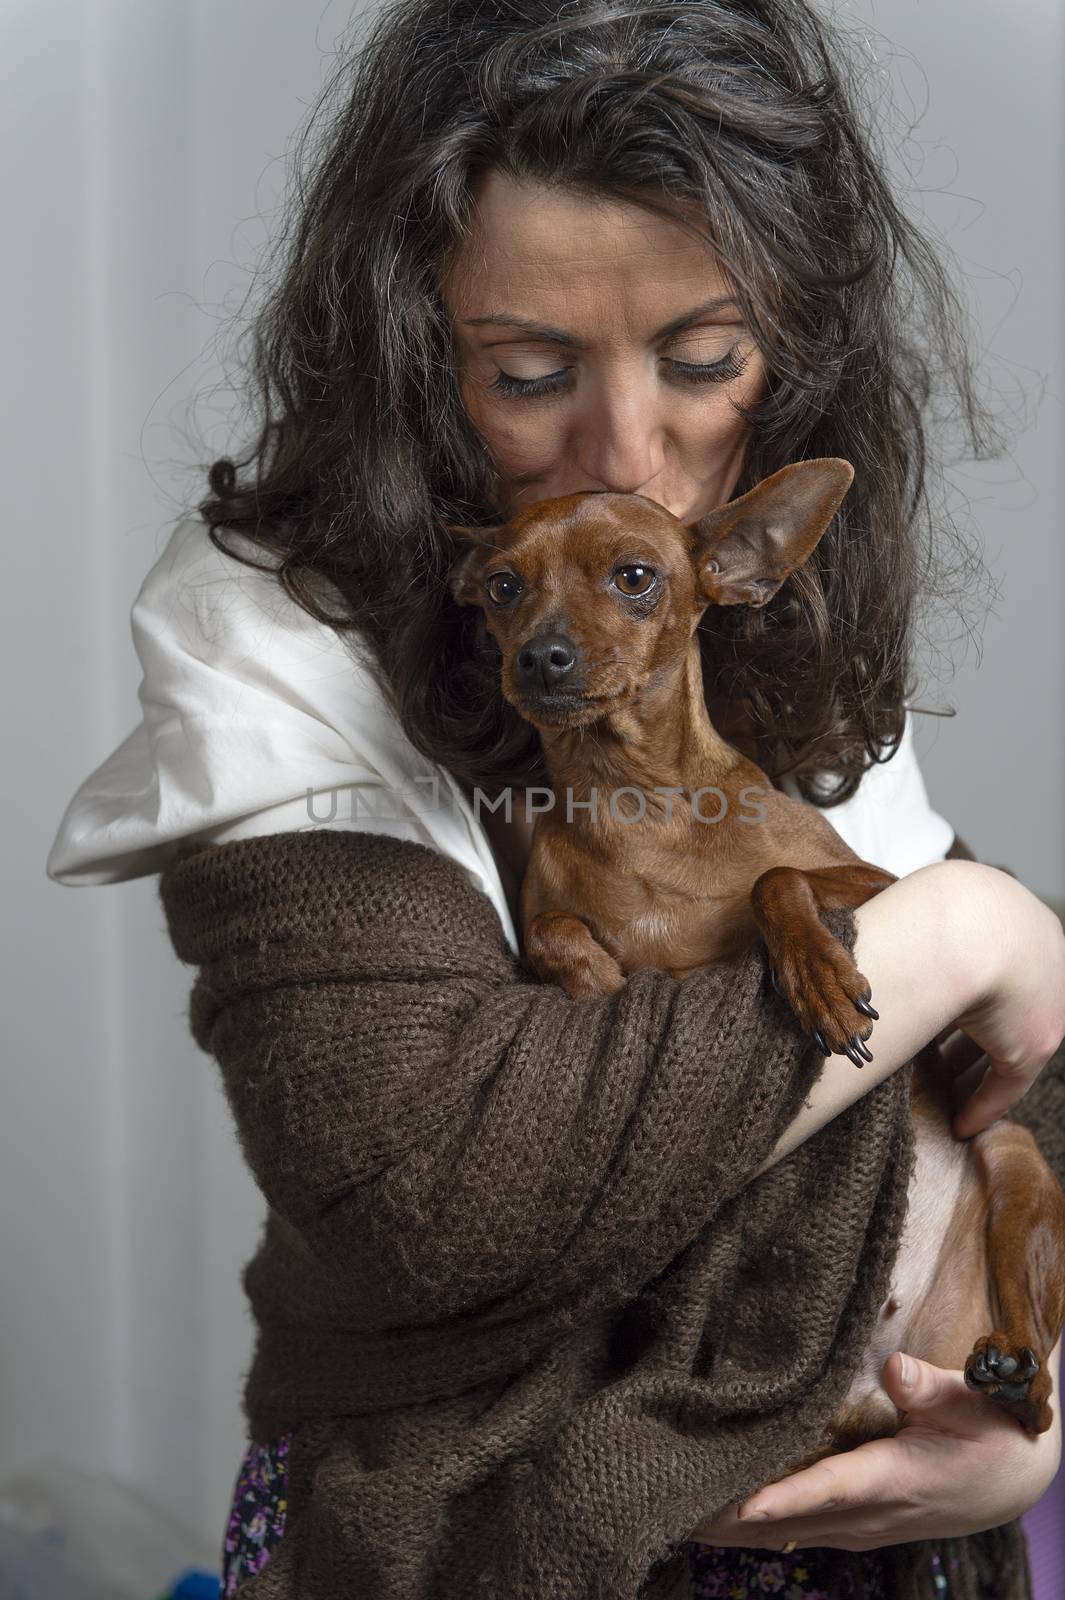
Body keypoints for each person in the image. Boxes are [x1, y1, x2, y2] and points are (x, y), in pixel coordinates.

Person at [46, 1, 1065, 1596]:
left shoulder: (736, 593)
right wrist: (973, 930)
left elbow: (1010, 1097)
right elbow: (445, 1194)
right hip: (500, 1528)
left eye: (703, 361)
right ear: (410, 358)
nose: (631, 450)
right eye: (526, 374)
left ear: (785, 355)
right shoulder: (268, 628)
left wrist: (1027, 1421)